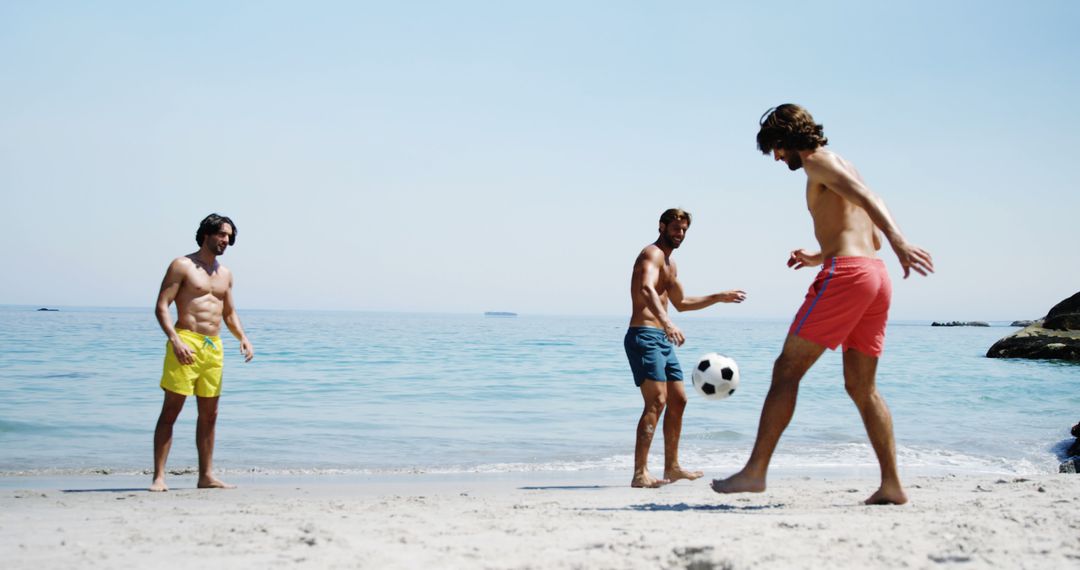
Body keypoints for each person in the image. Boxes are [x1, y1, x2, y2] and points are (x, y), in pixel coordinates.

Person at [712, 104, 933, 505]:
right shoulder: (842, 164)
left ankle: (755, 471)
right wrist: (818, 254)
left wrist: (902, 242)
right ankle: (891, 484)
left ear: (788, 138)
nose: (777, 158)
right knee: (862, 388)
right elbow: (868, 235)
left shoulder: (816, 162)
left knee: (786, 370)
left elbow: (870, 198)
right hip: (874, 275)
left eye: (776, 148)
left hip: (847, 277)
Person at [627, 208, 747, 488]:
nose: (680, 234)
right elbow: (646, 288)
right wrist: (667, 323)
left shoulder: (670, 264)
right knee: (656, 401)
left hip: (661, 337)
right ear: (662, 226)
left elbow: (682, 302)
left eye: (684, 230)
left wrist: (719, 297)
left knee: (678, 399)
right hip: (644, 335)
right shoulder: (652, 255)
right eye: (676, 229)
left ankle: (672, 467)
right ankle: (639, 473)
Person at [150, 213, 254, 492]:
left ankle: (206, 475)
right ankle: (159, 477)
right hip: (185, 340)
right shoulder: (182, 265)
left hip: (213, 346)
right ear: (206, 234)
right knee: (171, 409)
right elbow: (162, 305)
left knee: (210, 414)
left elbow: (229, 312)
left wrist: (242, 337)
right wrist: (174, 339)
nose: (226, 240)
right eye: (222, 234)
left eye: (230, 236)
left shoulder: (225, 274)